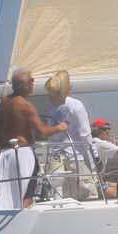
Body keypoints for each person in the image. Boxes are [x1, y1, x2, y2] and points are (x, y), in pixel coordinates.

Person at [0, 69, 67, 208]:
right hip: (23, 154)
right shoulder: (25, 105)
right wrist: (59, 127)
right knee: (27, 193)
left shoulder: (3, 103)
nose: (33, 83)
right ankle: (23, 214)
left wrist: (0, 149)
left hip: (5, 154)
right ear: (26, 84)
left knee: (7, 193)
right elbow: (42, 131)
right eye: (31, 80)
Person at [43, 70, 95, 199]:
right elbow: (85, 135)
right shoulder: (76, 105)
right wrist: (94, 161)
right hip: (76, 158)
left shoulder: (51, 108)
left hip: (56, 159)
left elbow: (50, 136)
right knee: (88, 197)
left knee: (60, 197)